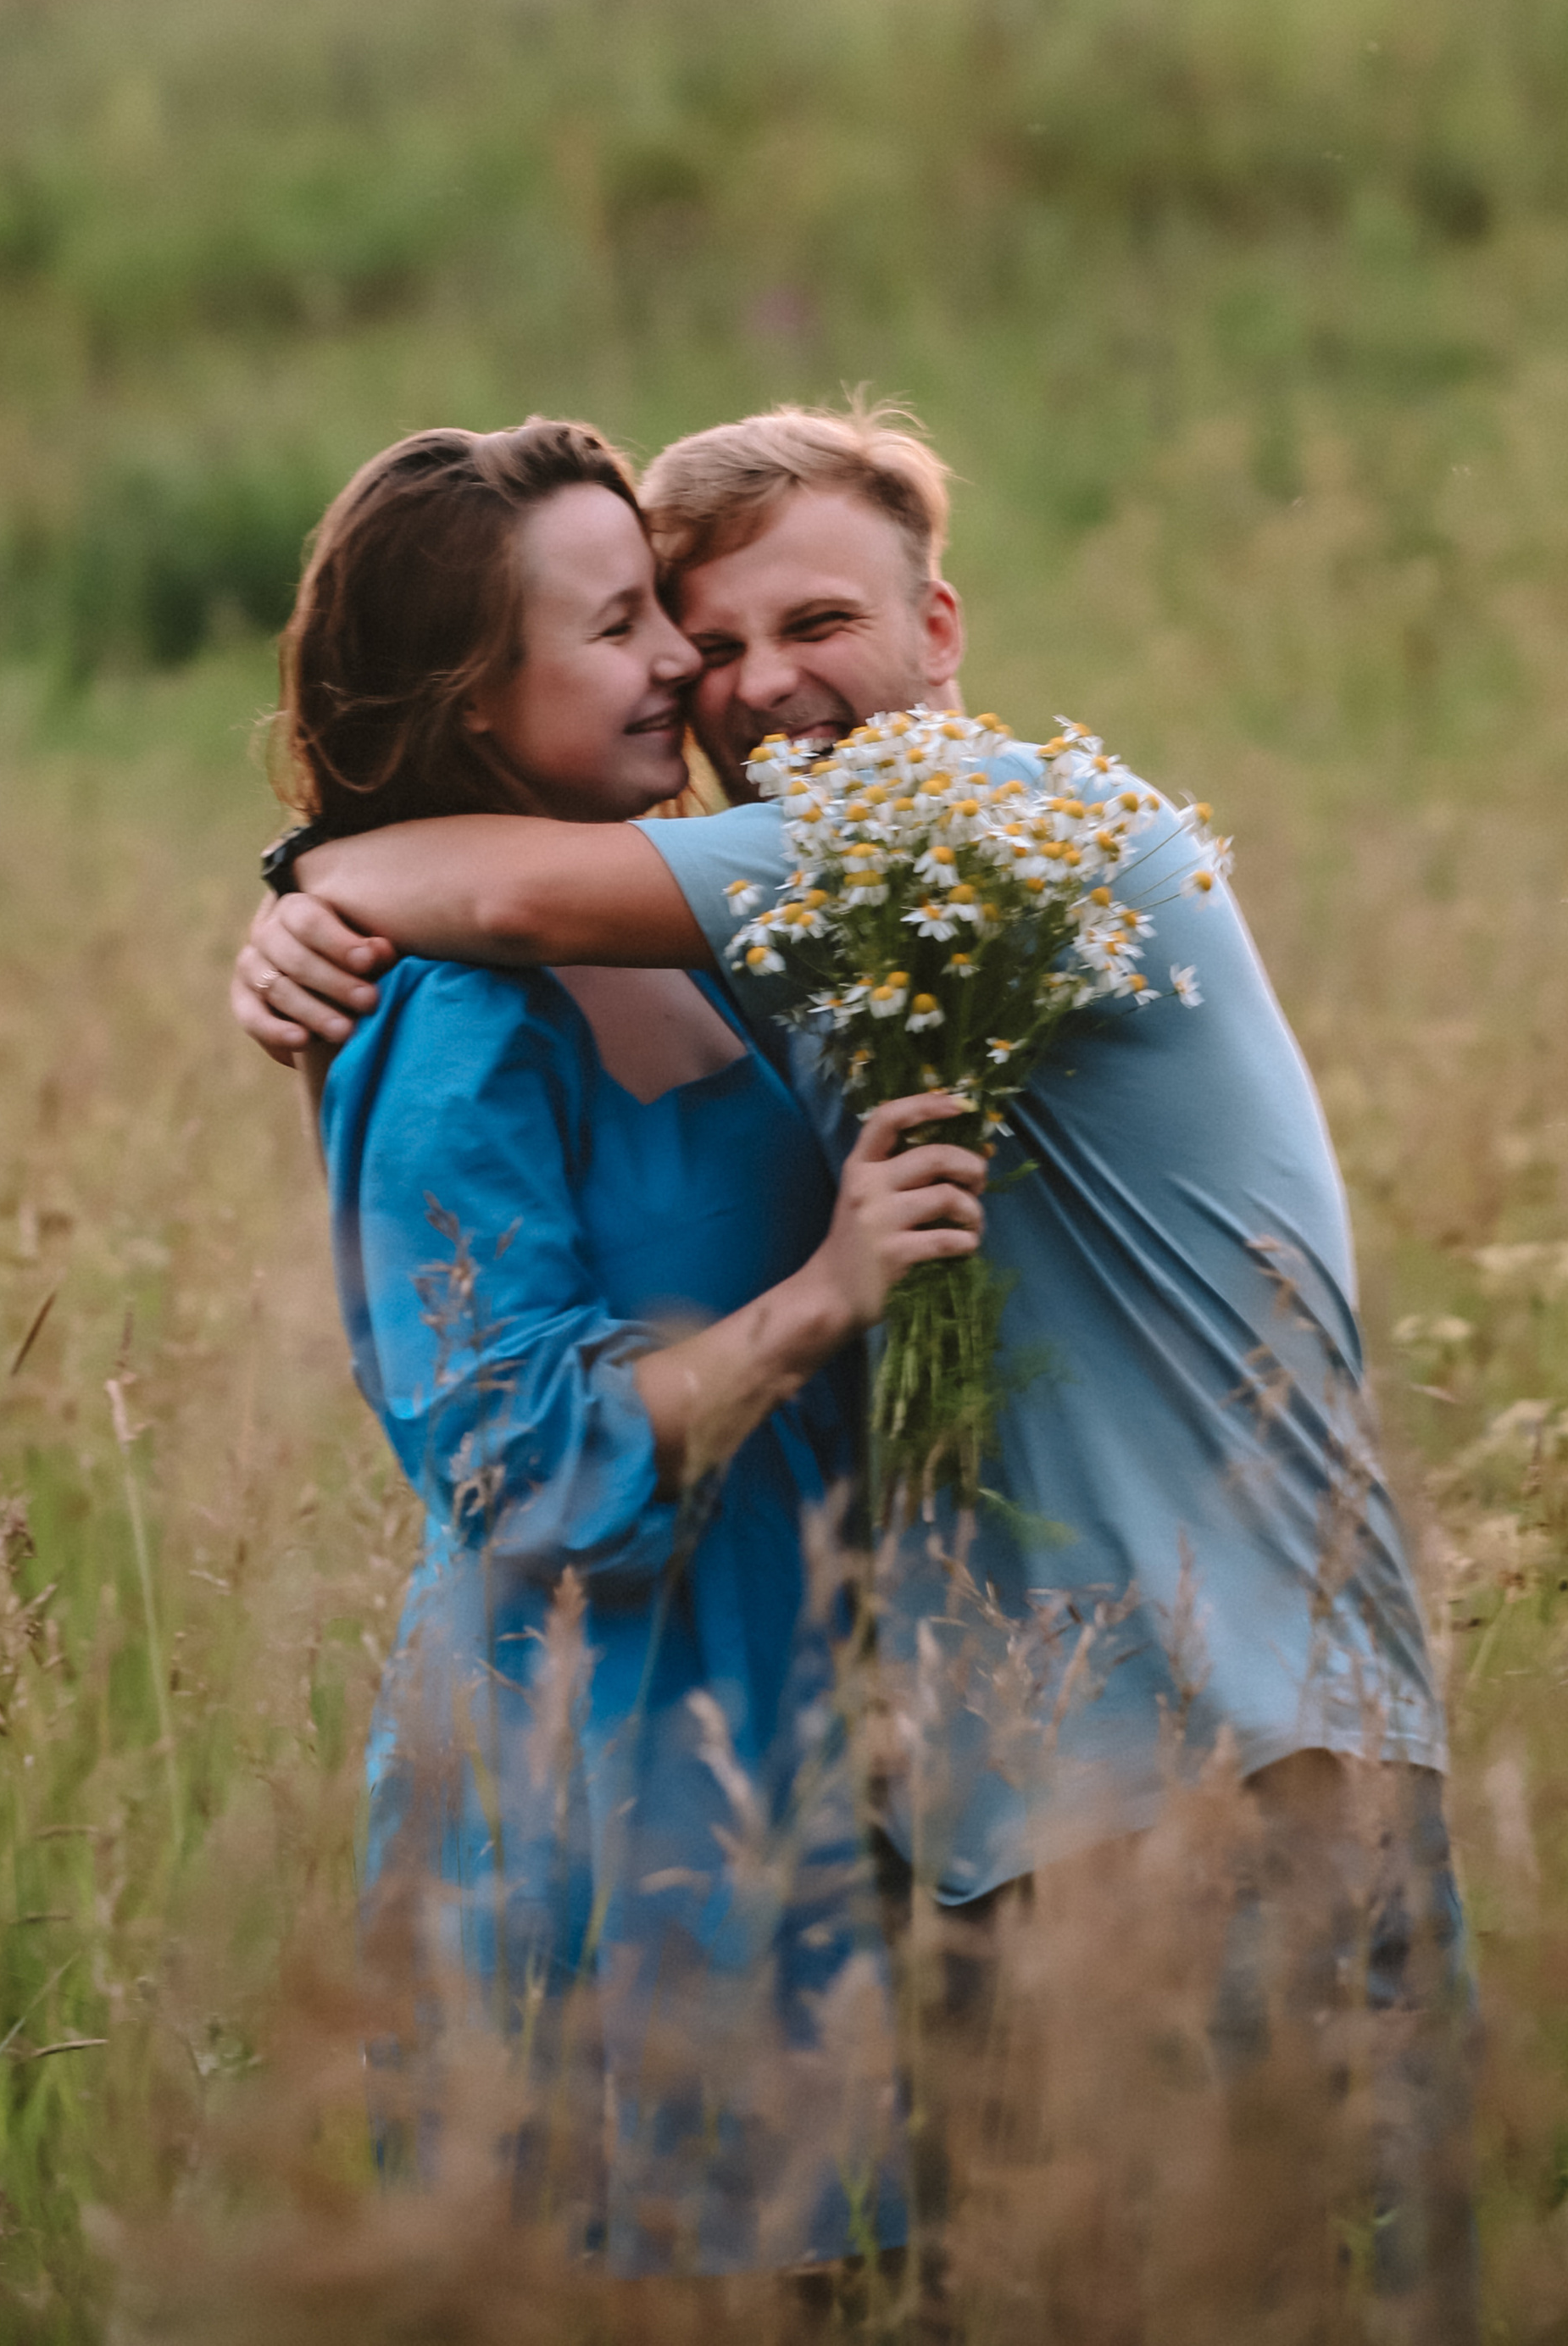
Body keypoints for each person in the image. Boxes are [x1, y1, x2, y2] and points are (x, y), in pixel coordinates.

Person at [236, 401, 1478, 2331]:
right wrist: (316, 916)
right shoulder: (782, 934)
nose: (731, 680)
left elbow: (483, 889)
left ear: (943, 624)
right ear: (482, 698)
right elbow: (500, 1420)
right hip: (835, 1810)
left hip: (1233, 1761)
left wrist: (306, 881)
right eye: (680, 629)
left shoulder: (977, 845)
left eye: (810, 621)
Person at [265, 414, 984, 2280]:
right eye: (616, 630)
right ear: (476, 704)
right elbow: (504, 1461)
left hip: (797, 1712)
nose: (686, 659)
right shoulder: (445, 1014)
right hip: (603, 1754)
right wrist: (819, 1297)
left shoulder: (695, 913)